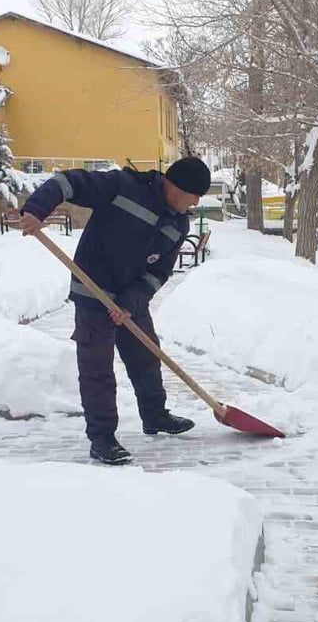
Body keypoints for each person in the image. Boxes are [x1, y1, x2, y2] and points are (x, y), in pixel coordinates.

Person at [20, 157, 211, 465]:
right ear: (176, 187)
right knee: (98, 369)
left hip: (129, 299)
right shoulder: (124, 187)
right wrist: (36, 208)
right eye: (194, 195)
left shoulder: (178, 223)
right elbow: (72, 182)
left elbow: (158, 273)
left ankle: (155, 416)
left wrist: (129, 304)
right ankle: (102, 438)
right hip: (92, 290)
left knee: (147, 357)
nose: (196, 202)